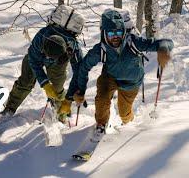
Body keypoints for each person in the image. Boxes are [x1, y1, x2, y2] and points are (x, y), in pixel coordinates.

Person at [59, 9, 174, 140]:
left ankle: (128, 124)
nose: (115, 36)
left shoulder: (133, 42)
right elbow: (83, 68)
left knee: (124, 113)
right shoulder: (100, 49)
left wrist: (164, 48)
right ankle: (101, 124)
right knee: (102, 97)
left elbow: (165, 43)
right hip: (110, 77)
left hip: (131, 81)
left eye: (119, 32)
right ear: (104, 33)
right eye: (111, 33)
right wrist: (81, 90)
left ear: (123, 31)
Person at [0, 9, 85, 147]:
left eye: (50, 57)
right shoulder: (41, 37)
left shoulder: (74, 48)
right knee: (24, 83)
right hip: (33, 59)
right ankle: (9, 109)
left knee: (58, 89)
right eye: (47, 55)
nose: (47, 59)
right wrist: (45, 84)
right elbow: (34, 62)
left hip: (58, 65)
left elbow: (80, 73)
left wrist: (69, 99)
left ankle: (61, 112)